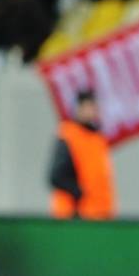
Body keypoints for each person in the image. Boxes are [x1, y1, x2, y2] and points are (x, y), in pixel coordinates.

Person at [48, 89, 117, 220]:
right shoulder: (69, 135)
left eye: (94, 106)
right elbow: (56, 177)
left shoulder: (97, 138)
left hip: (99, 214)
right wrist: (80, 194)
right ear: (78, 108)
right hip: (75, 216)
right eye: (88, 106)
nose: (93, 111)